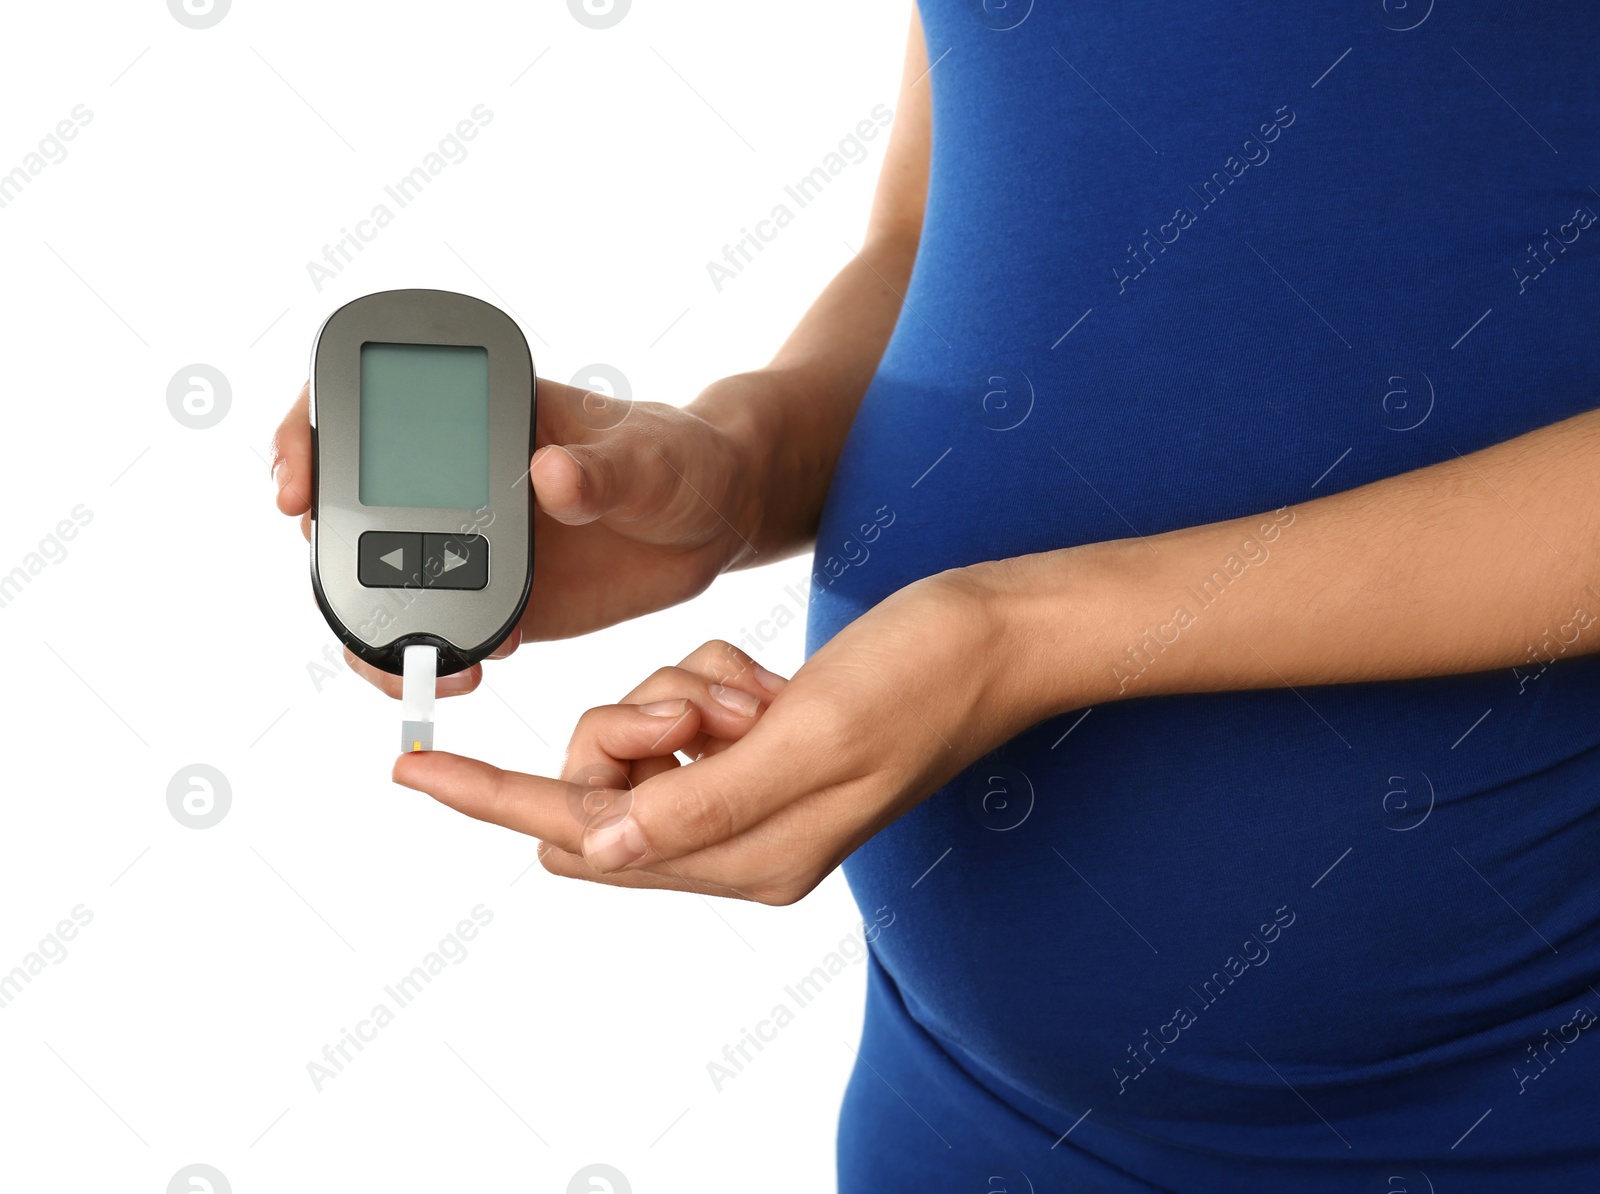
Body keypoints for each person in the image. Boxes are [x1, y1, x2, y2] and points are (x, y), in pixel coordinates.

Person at [272, 4, 1600, 1188]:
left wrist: (1010, 638)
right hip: (959, 1111)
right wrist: (729, 469)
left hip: (1493, 1112)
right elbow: (939, 223)